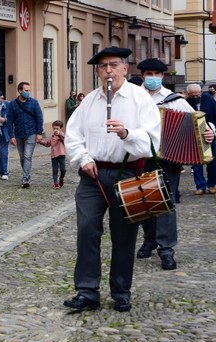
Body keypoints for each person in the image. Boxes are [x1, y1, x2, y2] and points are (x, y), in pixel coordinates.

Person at [63, 47, 160, 312]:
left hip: (126, 173)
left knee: (124, 235)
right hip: (92, 174)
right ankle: (87, 291)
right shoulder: (89, 101)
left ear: (125, 68)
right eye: (103, 66)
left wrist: (126, 133)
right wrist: (84, 159)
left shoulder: (140, 98)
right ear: (97, 72)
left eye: (114, 65)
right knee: (87, 231)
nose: (108, 71)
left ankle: (121, 291)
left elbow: (152, 141)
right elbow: (73, 136)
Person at [134, 58, 213, 270]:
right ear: (142, 75)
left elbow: (200, 121)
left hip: (168, 159)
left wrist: (210, 131)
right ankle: (149, 239)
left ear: (163, 77)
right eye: (148, 73)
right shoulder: (133, 97)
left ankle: (166, 249)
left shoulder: (175, 100)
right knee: (143, 202)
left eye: (157, 74)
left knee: (165, 203)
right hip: (138, 157)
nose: (152, 77)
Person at [7, 81, 44, 188]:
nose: (28, 92)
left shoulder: (34, 103)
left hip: (31, 133)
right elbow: (9, 121)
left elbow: (39, 118)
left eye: (29, 90)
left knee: (27, 156)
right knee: (22, 157)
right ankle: (26, 175)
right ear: (19, 91)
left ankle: (26, 179)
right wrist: (11, 136)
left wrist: (39, 132)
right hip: (18, 134)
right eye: (26, 90)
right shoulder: (12, 104)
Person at [187, 83, 216, 195]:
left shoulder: (208, 99)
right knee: (197, 163)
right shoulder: (186, 102)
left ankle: (212, 184)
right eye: (192, 95)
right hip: (194, 136)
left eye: (197, 94)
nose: (195, 97)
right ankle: (200, 186)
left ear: (201, 92)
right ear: (188, 94)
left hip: (211, 134)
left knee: (213, 162)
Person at [36, 120, 66, 190]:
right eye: (54, 128)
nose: (55, 130)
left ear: (60, 129)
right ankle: (56, 183)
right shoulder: (52, 137)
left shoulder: (62, 135)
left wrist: (59, 134)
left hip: (61, 154)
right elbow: (47, 144)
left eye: (57, 128)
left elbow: (65, 140)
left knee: (63, 169)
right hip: (54, 156)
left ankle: (61, 178)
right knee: (55, 170)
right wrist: (41, 142)